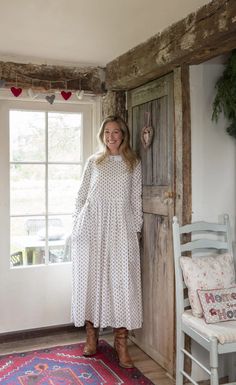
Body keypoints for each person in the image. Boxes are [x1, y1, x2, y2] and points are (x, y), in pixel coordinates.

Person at [71, 115, 143, 368]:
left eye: (116, 132)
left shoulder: (132, 163)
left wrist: (134, 230)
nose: (111, 136)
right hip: (92, 227)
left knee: (122, 282)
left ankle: (121, 343)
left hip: (121, 228)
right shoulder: (94, 162)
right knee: (92, 279)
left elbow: (136, 200)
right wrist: (77, 225)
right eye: (107, 132)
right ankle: (92, 336)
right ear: (102, 135)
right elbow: (81, 196)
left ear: (123, 134)